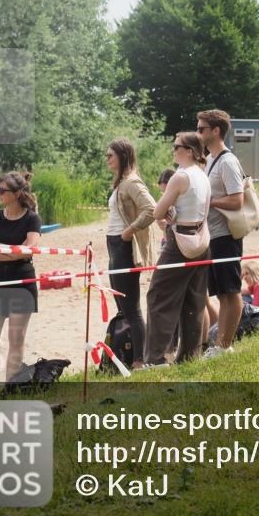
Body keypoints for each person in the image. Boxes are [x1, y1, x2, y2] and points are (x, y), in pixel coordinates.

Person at [143, 132, 212, 366]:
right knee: (194, 300)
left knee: (158, 297)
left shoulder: (180, 177)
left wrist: (170, 215)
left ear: (190, 151)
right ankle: (190, 356)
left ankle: (157, 357)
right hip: (202, 240)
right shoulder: (202, 176)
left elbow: (157, 212)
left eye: (177, 147)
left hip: (179, 241)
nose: (173, 150)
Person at [0, 172, 41, 398]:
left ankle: (10, 391)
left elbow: (30, 249)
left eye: (2, 191)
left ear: (16, 194)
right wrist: (14, 253)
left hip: (22, 284)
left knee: (15, 341)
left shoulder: (31, 218)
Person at [196, 110, 245, 359]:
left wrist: (209, 202)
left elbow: (238, 200)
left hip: (226, 234)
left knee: (231, 291)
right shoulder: (210, 160)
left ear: (216, 131)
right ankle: (220, 344)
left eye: (202, 128)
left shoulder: (227, 161)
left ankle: (225, 345)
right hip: (213, 235)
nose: (199, 133)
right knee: (222, 293)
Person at [105, 139, 157, 370]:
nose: (107, 159)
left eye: (110, 155)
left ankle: (139, 360)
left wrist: (129, 231)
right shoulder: (121, 183)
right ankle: (127, 354)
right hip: (114, 245)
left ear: (123, 156)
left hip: (124, 246)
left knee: (132, 309)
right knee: (122, 307)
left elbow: (152, 209)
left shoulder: (131, 182)